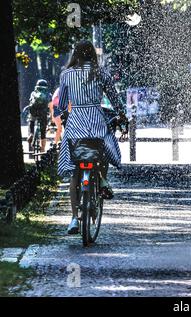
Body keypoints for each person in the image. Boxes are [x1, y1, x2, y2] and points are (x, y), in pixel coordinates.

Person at [53, 40, 127, 234]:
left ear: (75, 54)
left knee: (75, 171)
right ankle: (102, 179)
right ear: (93, 54)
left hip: (75, 124)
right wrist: (121, 114)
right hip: (96, 121)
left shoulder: (66, 74)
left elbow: (61, 105)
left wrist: (63, 112)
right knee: (104, 149)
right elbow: (114, 97)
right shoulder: (100, 72)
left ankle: (73, 219)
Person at [27, 79, 52, 152]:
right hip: (43, 113)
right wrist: (51, 115)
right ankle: (43, 149)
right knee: (43, 131)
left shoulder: (33, 93)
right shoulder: (49, 94)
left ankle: (31, 133)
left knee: (31, 120)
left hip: (34, 111)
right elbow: (50, 107)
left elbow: (30, 102)